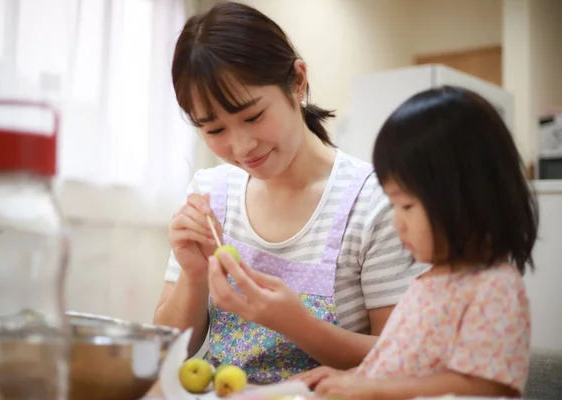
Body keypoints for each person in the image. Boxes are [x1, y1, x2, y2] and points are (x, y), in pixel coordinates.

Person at [153, 1, 425, 384]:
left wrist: (294, 323)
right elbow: (166, 351)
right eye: (215, 130)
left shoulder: (374, 203)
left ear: (297, 82)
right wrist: (194, 275)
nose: (242, 147)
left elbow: (403, 359)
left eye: (252, 117)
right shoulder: (210, 194)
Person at [291, 85, 539, 399]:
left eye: (406, 206)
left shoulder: (493, 287)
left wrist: (371, 389)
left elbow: (485, 385)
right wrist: (351, 377)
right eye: (393, 206)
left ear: (466, 199)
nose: (397, 222)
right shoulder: (426, 284)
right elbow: (397, 366)